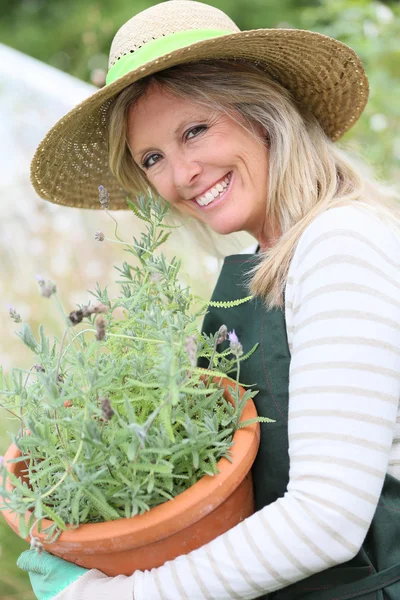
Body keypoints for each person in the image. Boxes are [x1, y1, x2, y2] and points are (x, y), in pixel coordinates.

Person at [18, 1, 400, 599]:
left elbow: (327, 522)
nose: (181, 174)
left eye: (195, 130)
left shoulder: (338, 243)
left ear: (264, 114)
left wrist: (114, 594)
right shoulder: (276, 261)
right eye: (153, 159)